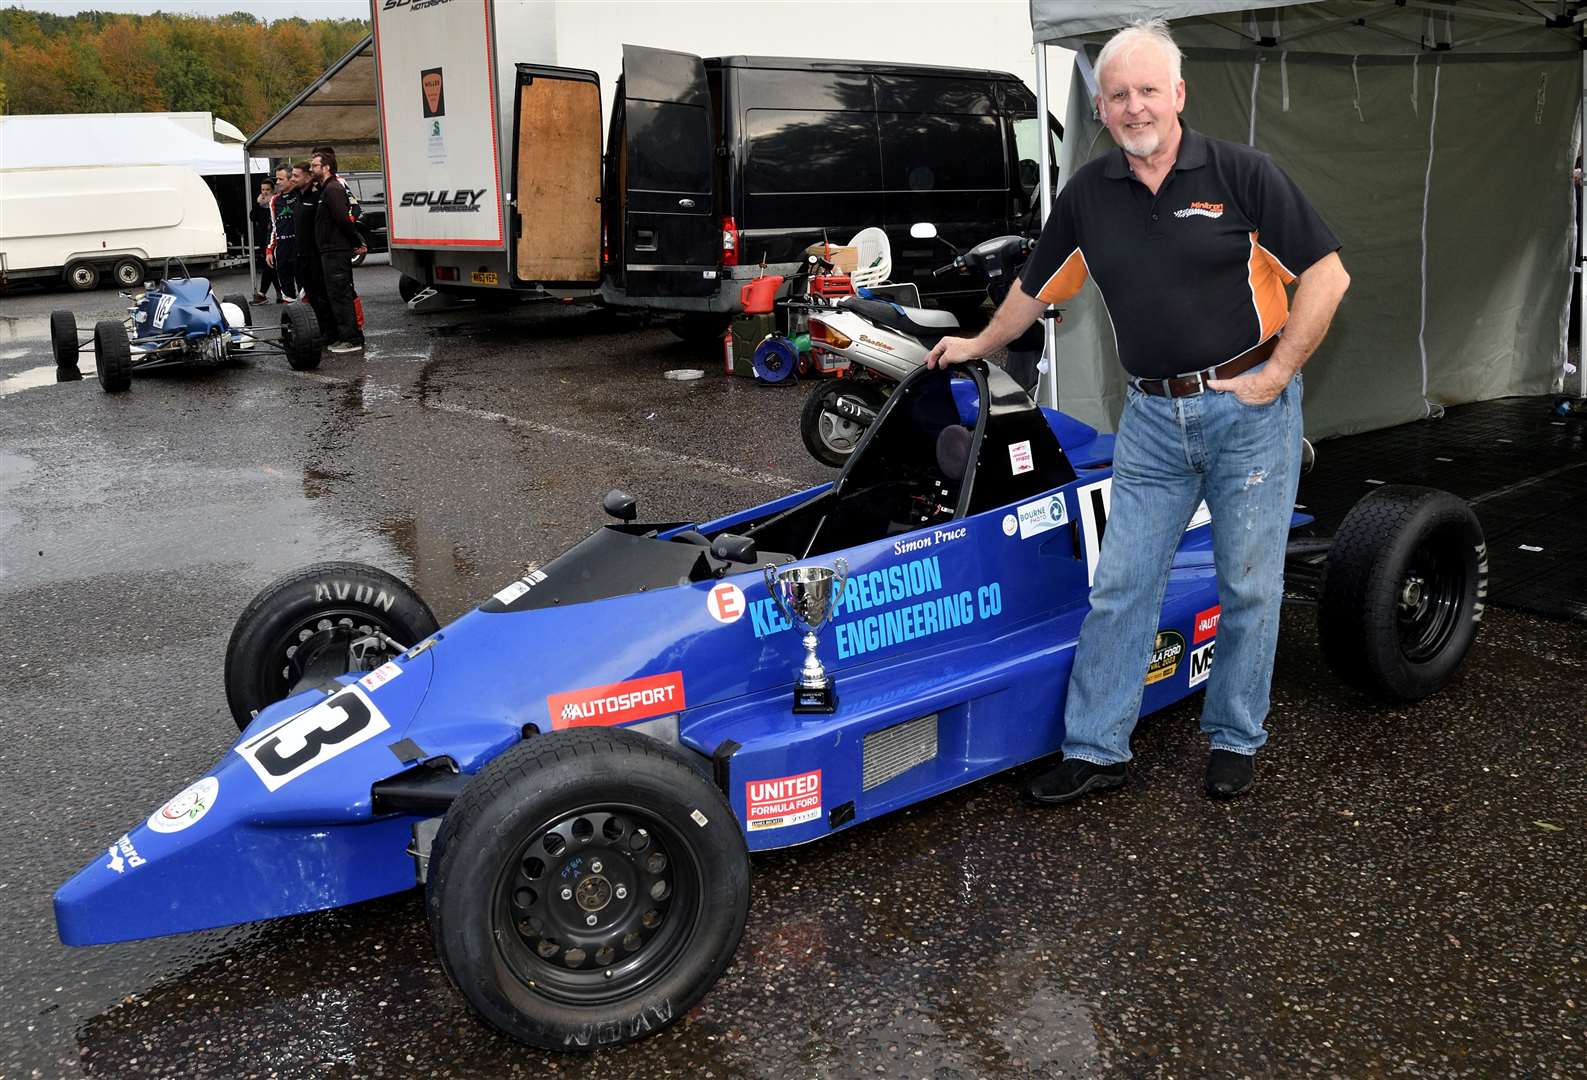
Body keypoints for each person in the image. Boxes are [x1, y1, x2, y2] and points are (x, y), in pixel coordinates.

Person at [925, 18, 1350, 801]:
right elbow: (1034, 285)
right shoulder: (1090, 192)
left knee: (1248, 584)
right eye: (1117, 95)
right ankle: (1096, 749)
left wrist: (1276, 372)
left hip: (1246, 410)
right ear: (1102, 106)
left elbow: (1326, 276)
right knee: (1122, 585)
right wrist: (978, 344)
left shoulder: (1240, 174)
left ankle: (1233, 735)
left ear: (1177, 95)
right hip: (1152, 419)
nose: (1133, 107)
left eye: (1147, 90)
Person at [309, 147, 368, 353]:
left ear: (326, 167)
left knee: (341, 295)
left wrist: (355, 242)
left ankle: (351, 339)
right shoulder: (326, 189)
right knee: (335, 294)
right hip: (329, 250)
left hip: (336, 251)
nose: (311, 168)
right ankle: (344, 336)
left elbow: (344, 219)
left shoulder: (333, 189)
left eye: (315, 165)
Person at [295, 158, 330, 338]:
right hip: (302, 257)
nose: (293, 179)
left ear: (308, 178)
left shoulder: (316, 196)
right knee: (310, 296)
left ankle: (329, 332)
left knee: (321, 296)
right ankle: (318, 331)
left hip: (316, 256)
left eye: (296, 176)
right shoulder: (298, 197)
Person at [264, 165, 299, 303]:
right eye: (276, 179)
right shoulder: (274, 200)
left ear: (291, 179)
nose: (277, 182)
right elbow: (273, 227)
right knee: (286, 288)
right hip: (283, 248)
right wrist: (269, 250)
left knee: (305, 287)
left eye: (280, 179)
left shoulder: (300, 195)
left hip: (300, 246)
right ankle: (291, 320)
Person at [250, 178, 276, 304]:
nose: (264, 192)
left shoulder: (275, 203)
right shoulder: (260, 205)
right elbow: (252, 217)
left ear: (272, 190)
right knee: (271, 266)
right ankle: (278, 293)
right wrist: (257, 204)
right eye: (262, 190)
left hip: (273, 239)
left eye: (267, 190)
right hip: (262, 239)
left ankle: (262, 293)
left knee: (270, 266)